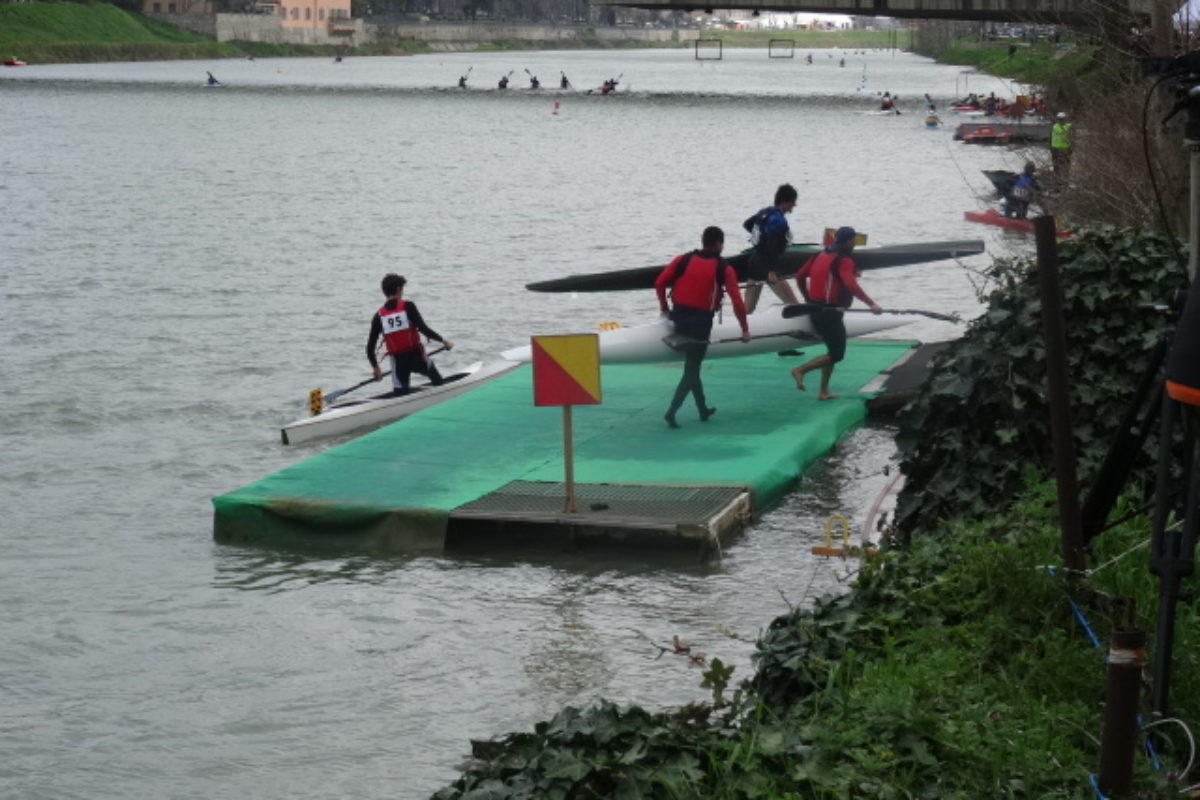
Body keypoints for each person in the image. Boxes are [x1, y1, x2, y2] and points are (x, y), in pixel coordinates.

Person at [654, 226, 750, 428]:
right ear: (718, 244)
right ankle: (671, 412)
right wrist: (744, 329)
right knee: (691, 370)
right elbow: (737, 301)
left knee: (693, 367)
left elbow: (660, 283)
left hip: (678, 318)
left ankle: (703, 409)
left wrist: (664, 308)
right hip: (700, 323)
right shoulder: (724, 268)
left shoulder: (682, 259)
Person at [790, 226, 883, 400]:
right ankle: (800, 370)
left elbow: (800, 276)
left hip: (816, 309)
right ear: (849, 241)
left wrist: (807, 298)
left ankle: (823, 391)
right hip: (829, 313)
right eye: (853, 240)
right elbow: (850, 284)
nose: (854, 244)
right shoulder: (844, 260)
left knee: (831, 351)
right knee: (837, 354)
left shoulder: (820, 255)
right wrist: (871, 304)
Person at [366, 274, 454, 395]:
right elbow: (423, 329)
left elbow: (370, 348)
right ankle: (443, 395)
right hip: (417, 357)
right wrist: (444, 341)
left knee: (400, 395)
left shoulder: (378, 316)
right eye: (402, 289)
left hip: (398, 362)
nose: (402, 292)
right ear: (398, 289)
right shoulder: (408, 306)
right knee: (437, 380)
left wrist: (376, 368)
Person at [742, 183, 801, 313]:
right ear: (785, 201)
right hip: (767, 266)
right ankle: (805, 323)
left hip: (754, 262)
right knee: (794, 305)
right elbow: (772, 245)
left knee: (747, 310)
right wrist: (771, 271)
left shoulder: (765, 212)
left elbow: (747, 224)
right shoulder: (779, 220)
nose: (794, 205)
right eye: (793, 201)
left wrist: (759, 239)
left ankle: (735, 330)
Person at [1051, 111, 1072, 176]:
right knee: (1058, 163)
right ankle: (1058, 175)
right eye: (1060, 119)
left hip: (1062, 148)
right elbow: (1062, 132)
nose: (1061, 121)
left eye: (1062, 119)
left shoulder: (1066, 126)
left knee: (1063, 163)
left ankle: (1064, 174)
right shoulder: (1056, 127)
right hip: (1058, 148)